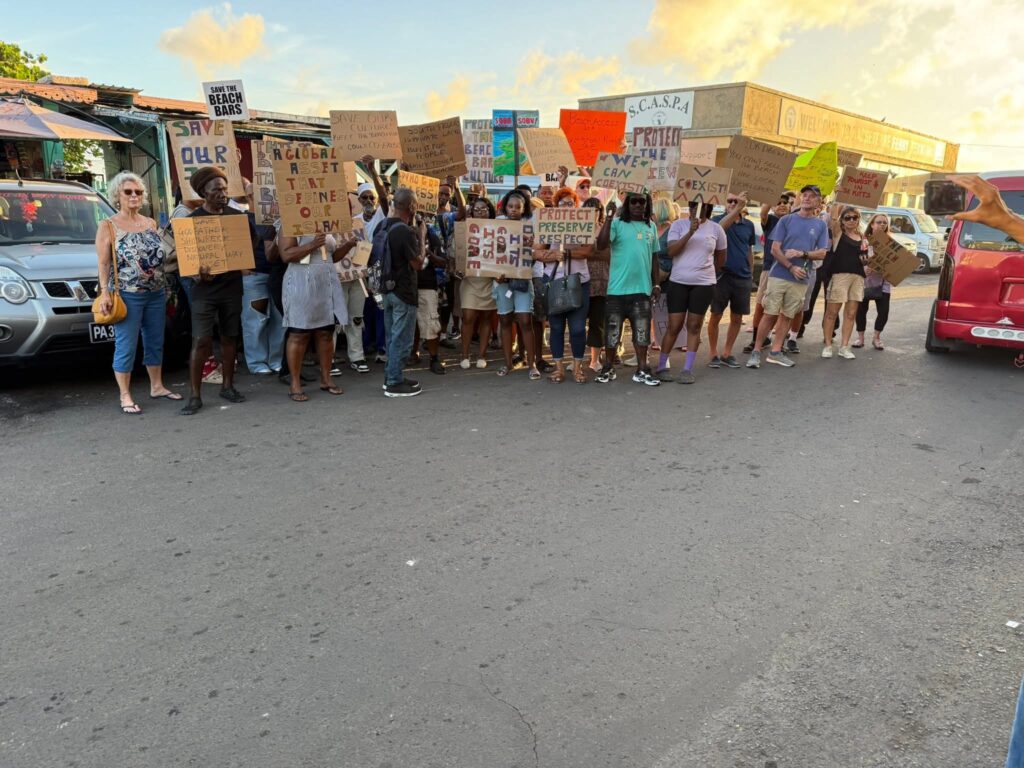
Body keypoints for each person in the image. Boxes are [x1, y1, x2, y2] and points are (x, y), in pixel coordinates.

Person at [94, 171, 179, 414]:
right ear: (117, 195)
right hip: (127, 294)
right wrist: (105, 293)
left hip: (156, 292)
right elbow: (103, 263)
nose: (134, 196)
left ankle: (157, 386)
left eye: (138, 192)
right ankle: (125, 395)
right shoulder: (108, 226)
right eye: (128, 192)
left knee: (155, 340)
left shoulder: (150, 223)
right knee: (127, 345)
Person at [180, 167, 258, 415]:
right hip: (204, 290)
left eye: (225, 189)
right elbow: (185, 259)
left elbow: (249, 245)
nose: (223, 194)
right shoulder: (191, 221)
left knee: (229, 337)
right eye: (216, 190)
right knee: (201, 340)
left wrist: (242, 263)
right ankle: (194, 395)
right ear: (203, 192)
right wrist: (197, 273)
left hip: (231, 287)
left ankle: (227, 386)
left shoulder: (238, 218)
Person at [747, 184, 829, 369]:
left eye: (812, 196)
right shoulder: (786, 220)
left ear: (818, 202)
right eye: (804, 195)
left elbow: (823, 253)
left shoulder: (820, 225)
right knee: (770, 313)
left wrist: (802, 254)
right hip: (779, 274)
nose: (807, 198)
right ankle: (756, 351)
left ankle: (776, 352)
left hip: (802, 278)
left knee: (787, 315)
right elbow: (775, 249)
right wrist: (791, 267)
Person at [277, 228, 355, 401]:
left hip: (325, 283)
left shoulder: (326, 224)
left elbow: (331, 256)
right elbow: (286, 255)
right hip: (300, 282)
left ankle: (326, 379)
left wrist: (348, 246)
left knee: (326, 332)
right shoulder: (290, 223)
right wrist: (312, 244)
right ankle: (295, 384)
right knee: (299, 333)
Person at [655, 201, 727, 384]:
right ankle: (662, 366)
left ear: (708, 208)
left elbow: (721, 258)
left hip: (703, 285)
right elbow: (671, 251)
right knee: (674, 325)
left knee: (694, 326)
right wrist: (690, 232)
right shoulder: (678, 225)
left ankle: (687, 369)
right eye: (693, 206)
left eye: (701, 206)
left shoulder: (716, 229)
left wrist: (707, 273)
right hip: (678, 282)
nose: (697, 209)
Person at [594, 191, 661, 386]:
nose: (638, 205)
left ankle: (642, 369)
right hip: (617, 290)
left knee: (642, 333)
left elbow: (655, 257)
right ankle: (608, 367)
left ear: (647, 205)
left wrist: (656, 283)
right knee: (612, 333)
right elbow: (601, 245)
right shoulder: (617, 224)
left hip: (642, 290)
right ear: (627, 204)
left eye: (642, 202)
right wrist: (608, 218)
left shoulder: (651, 227)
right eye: (634, 202)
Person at [542, 187, 592, 384]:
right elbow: (536, 251)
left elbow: (587, 251)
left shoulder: (583, 223)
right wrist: (553, 254)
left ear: (576, 205)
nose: (566, 207)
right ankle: (559, 369)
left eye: (570, 203)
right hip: (554, 281)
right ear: (556, 206)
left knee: (578, 328)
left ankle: (577, 368)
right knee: (556, 327)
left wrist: (568, 253)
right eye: (562, 203)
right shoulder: (547, 224)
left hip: (579, 282)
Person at [380, 188, 427, 397]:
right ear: (412, 207)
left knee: (392, 337)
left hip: (387, 289)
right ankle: (394, 382)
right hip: (403, 291)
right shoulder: (405, 232)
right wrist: (422, 238)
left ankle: (392, 376)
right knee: (401, 339)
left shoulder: (383, 225)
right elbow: (417, 263)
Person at [494, 189, 539, 379]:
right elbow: (488, 254)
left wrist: (530, 246)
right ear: (505, 207)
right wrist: (495, 275)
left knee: (525, 320)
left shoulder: (529, 228)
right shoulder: (496, 226)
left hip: (522, 280)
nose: (513, 210)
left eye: (517, 207)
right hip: (502, 282)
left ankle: (532, 364)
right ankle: (508, 363)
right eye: (510, 206)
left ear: (523, 209)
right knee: (505, 321)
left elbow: (536, 256)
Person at [240, 180, 283, 375]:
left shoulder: (276, 218)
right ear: (247, 197)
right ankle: (257, 362)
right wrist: (242, 269)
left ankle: (276, 360)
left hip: (277, 273)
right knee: (255, 320)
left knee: (279, 319)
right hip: (255, 275)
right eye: (253, 194)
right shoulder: (241, 219)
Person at [708, 191, 755, 368]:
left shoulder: (748, 225)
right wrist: (737, 210)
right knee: (716, 315)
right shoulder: (717, 220)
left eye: (737, 201)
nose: (733, 204)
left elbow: (749, 250)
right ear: (724, 203)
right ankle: (713, 353)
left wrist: (750, 273)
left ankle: (727, 353)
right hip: (722, 276)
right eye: (730, 201)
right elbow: (720, 229)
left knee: (737, 317)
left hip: (742, 277)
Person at [745, 191, 795, 353]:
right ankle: (757, 339)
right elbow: (763, 212)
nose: (782, 205)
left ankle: (779, 343)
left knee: (784, 309)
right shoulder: (770, 221)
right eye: (778, 203)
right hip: (770, 269)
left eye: (785, 203)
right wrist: (775, 190)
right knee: (761, 305)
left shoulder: (794, 221)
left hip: (788, 269)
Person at [820, 206, 868, 359]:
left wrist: (868, 262)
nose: (851, 220)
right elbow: (834, 217)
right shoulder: (838, 233)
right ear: (842, 220)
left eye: (855, 217)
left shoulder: (863, 237)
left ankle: (844, 347)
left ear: (859, 219)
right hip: (840, 276)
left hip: (858, 277)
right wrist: (839, 200)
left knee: (851, 313)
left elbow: (867, 258)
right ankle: (828, 345)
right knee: (832, 313)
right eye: (848, 217)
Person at [355, 157, 390, 364]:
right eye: (365, 197)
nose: (369, 201)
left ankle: (382, 347)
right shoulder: (354, 221)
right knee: (363, 310)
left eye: (372, 197)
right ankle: (366, 344)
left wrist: (372, 171)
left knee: (380, 308)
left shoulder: (382, 215)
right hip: (360, 273)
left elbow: (384, 197)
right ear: (359, 200)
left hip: (379, 272)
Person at [459, 196, 498, 368]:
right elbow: (458, 251)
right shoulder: (464, 229)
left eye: (484, 209)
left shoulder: (499, 229)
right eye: (477, 209)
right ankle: (465, 355)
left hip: (489, 279)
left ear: (490, 212)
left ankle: (482, 355)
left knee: (486, 318)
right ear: (472, 212)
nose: (480, 212)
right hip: (470, 279)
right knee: (468, 316)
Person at [411, 218, 447, 375]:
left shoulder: (432, 237)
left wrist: (429, 254)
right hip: (405, 287)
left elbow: (443, 262)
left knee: (431, 323)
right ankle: (412, 353)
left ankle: (434, 358)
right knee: (410, 325)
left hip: (426, 286)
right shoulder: (400, 234)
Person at [854, 213, 893, 350]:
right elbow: (855, 260)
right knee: (860, 311)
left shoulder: (891, 243)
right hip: (864, 281)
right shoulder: (863, 241)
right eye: (879, 222)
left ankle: (876, 338)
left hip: (883, 283)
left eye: (884, 222)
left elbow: (895, 264)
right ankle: (860, 338)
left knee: (883, 312)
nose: (882, 225)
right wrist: (863, 269)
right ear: (872, 224)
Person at [582, 197, 610, 372]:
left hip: (602, 282)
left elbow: (609, 254)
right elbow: (574, 252)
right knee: (577, 323)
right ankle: (577, 358)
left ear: (601, 212)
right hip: (581, 281)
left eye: (596, 209)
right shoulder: (578, 228)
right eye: (589, 209)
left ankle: (594, 359)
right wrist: (593, 252)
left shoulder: (605, 229)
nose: (592, 212)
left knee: (597, 322)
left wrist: (589, 252)